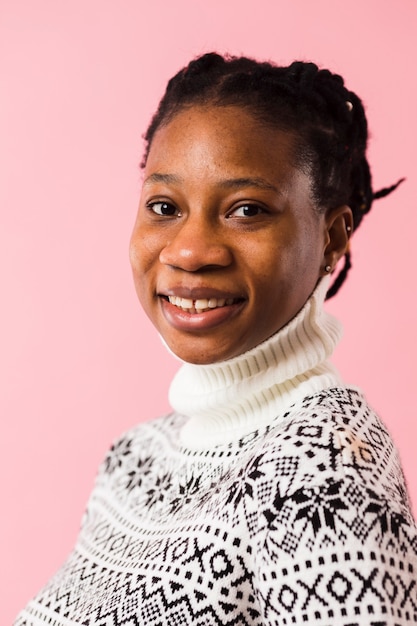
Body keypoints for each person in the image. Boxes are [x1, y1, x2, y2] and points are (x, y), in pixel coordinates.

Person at [16, 52, 417, 626]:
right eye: (164, 207)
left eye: (246, 210)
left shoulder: (321, 468)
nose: (189, 251)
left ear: (331, 239)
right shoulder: (135, 457)